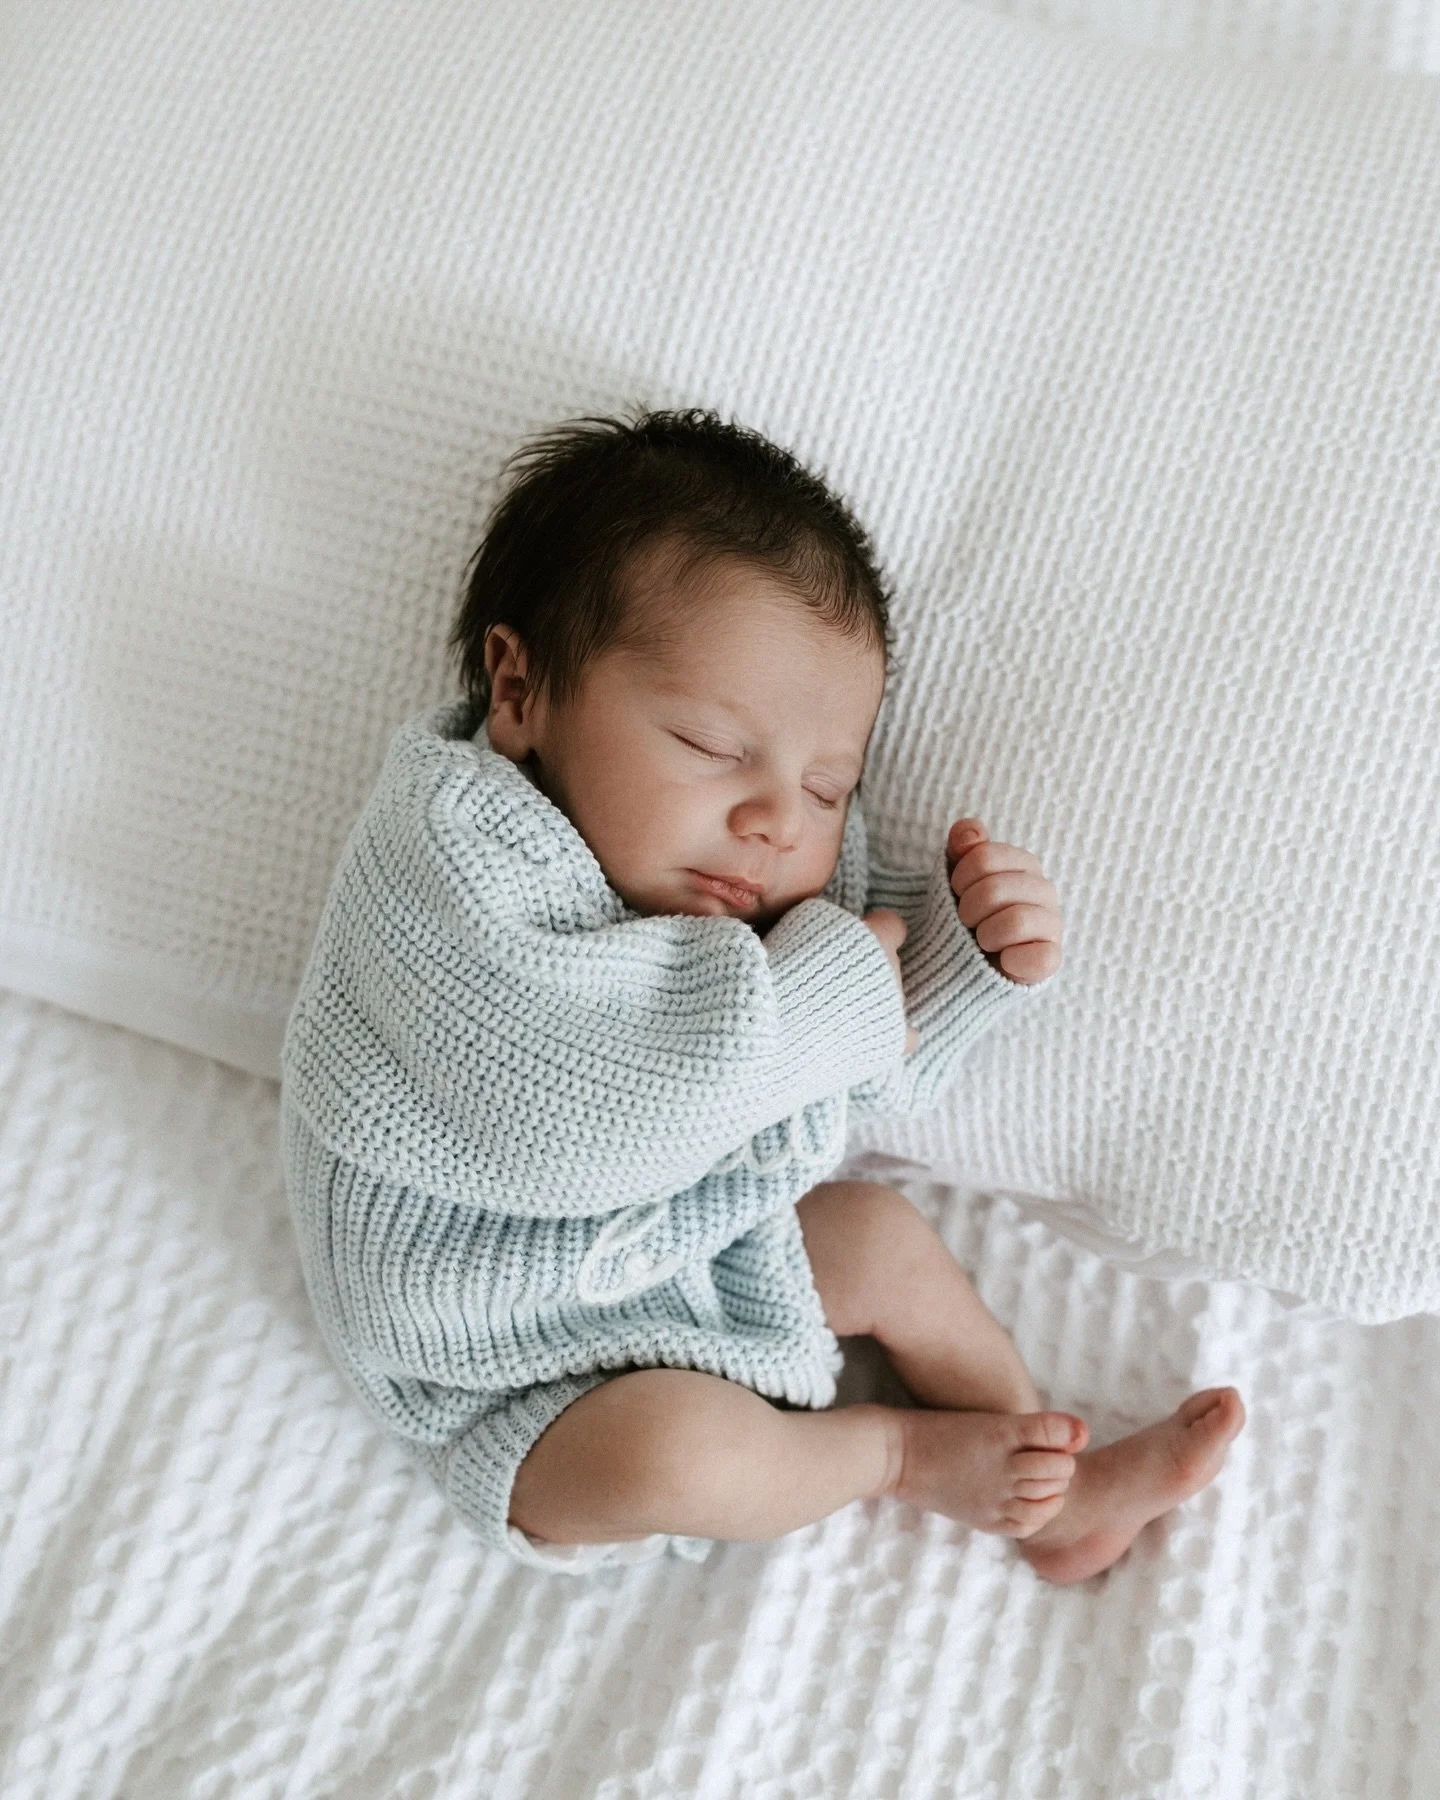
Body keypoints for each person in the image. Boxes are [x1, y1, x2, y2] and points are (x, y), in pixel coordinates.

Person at [280, 408, 1244, 1580]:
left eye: (828, 784)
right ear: (521, 688)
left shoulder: (754, 870)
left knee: (882, 1241)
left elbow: (844, 1060)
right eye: (709, 742)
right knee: (676, 1456)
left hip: (680, 1257)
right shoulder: (448, 858)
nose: (779, 817)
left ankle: (1055, 1494)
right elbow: (596, 1112)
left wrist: (962, 963)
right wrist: (840, 990)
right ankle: (895, 1453)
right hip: (496, 1364)